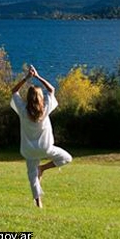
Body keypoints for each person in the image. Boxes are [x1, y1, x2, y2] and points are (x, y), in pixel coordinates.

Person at [10, 65, 72, 208]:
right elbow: (52, 90)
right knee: (67, 158)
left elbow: (14, 91)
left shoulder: (22, 110)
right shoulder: (45, 109)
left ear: (28, 98)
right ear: (40, 98)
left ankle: (39, 203)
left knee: (32, 176)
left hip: (29, 150)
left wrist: (27, 78)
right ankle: (43, 168)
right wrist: (37, 77)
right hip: (46, 148)